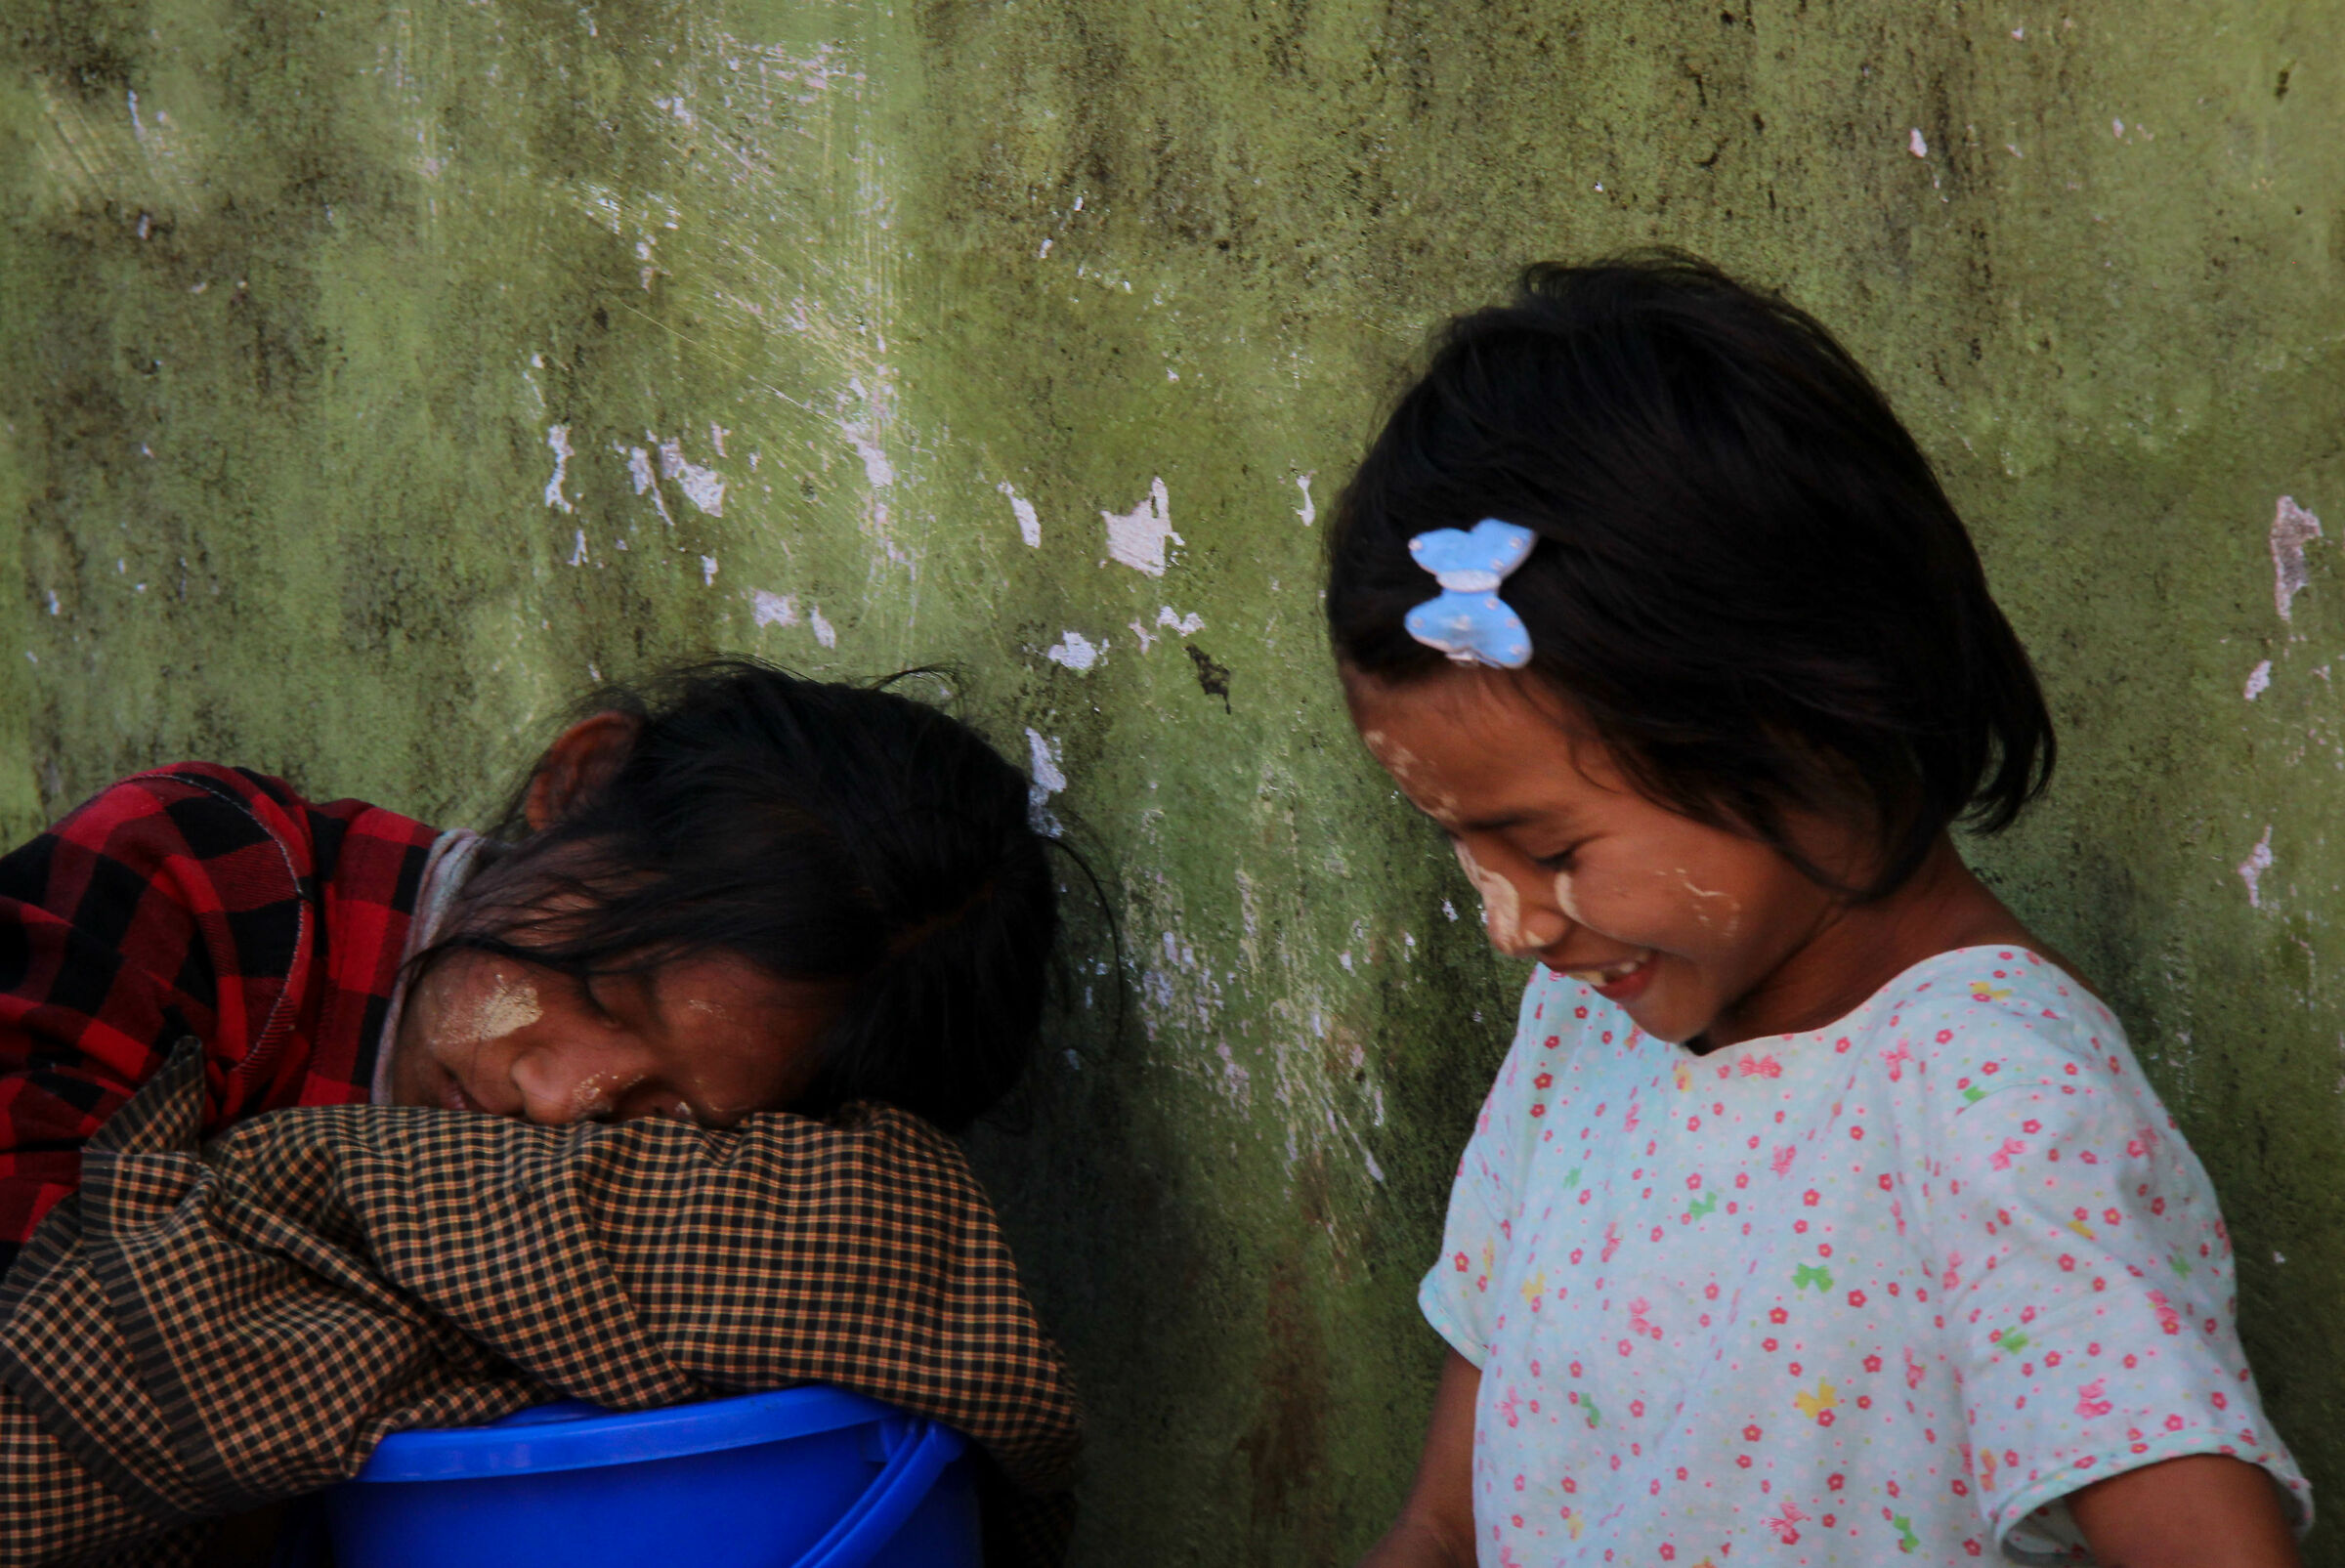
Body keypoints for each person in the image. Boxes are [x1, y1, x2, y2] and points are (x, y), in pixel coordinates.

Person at [1325, 254, 2309, 1567]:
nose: (1515, 921)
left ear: (1803, 719)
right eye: (1463, 847)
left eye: (1549, 844)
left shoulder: (1996, 1108)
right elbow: (1449, 1516)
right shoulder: (1581, 1028)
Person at [0, 657, 1060, 1277]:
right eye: (597, 986)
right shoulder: (205, 889)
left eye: (667, 1112)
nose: (558, 1101)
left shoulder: (708, 1226)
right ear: (581, 782)